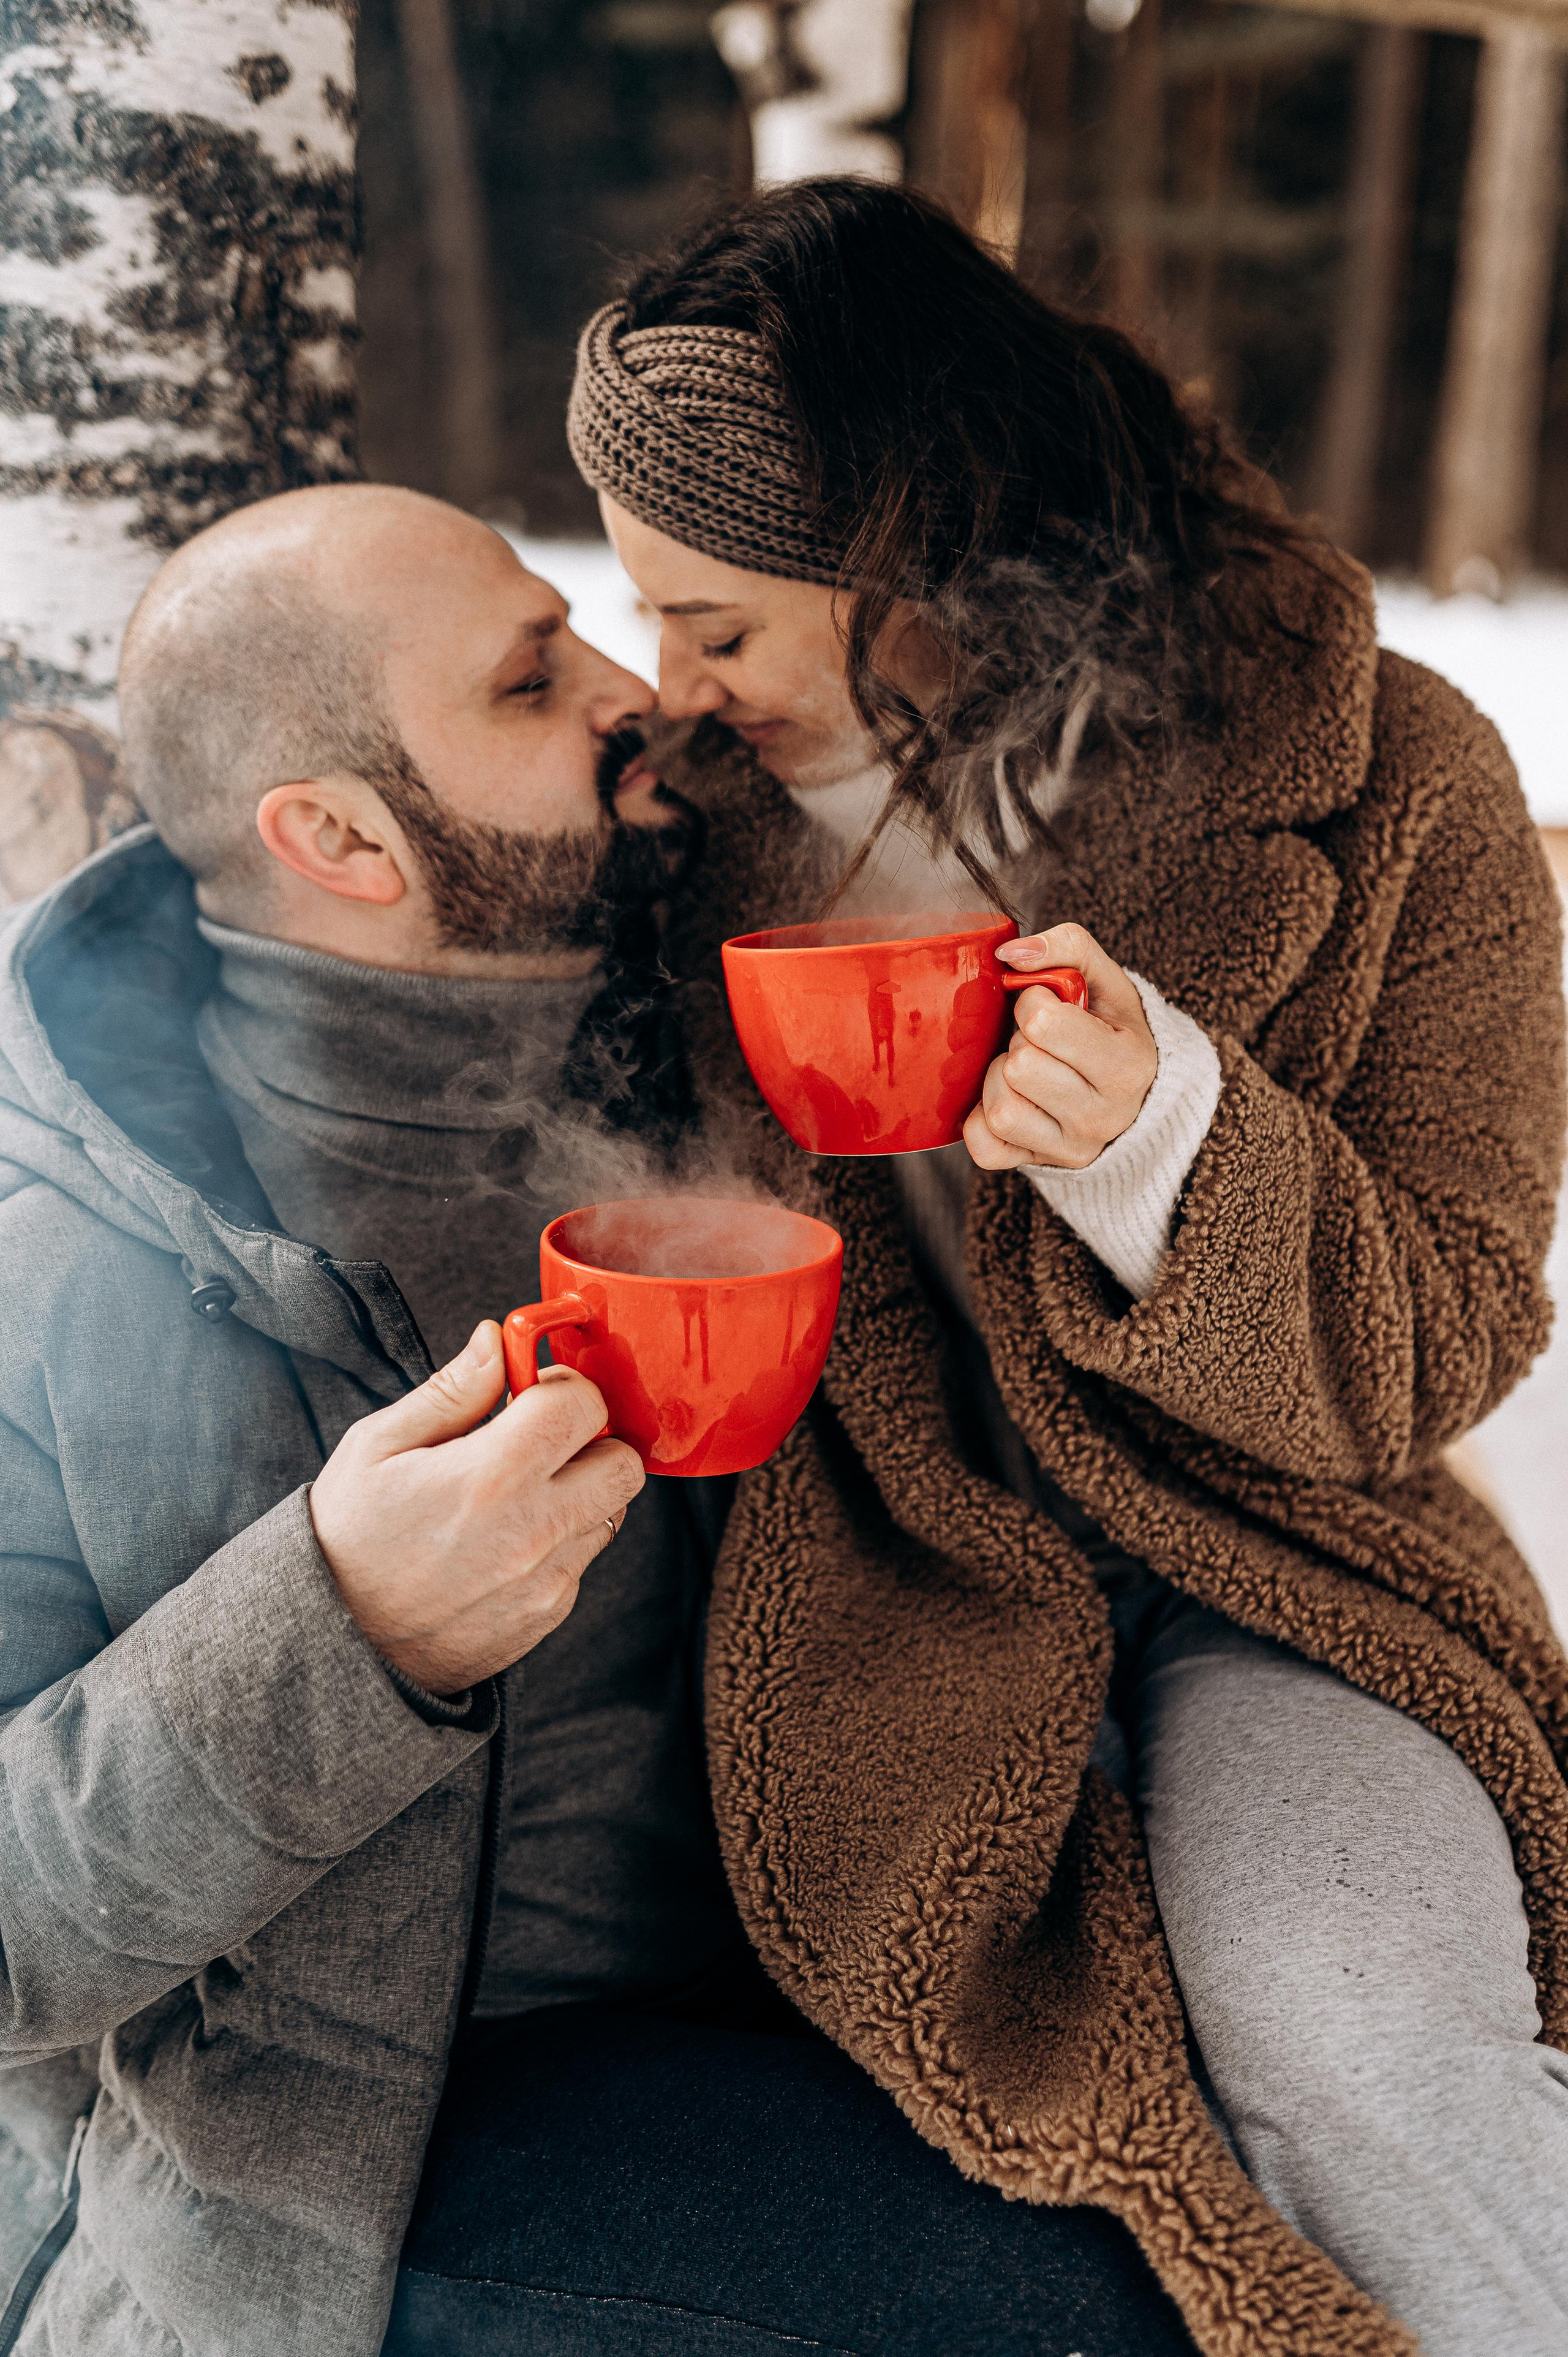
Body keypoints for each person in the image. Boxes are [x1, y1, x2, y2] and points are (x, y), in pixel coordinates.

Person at [0, 482, 1197, 2356]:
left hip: (871, 1988)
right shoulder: (71, 1260)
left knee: (1293, 2209)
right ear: (338, 836)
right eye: (528, 680)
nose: (637, 692)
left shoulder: (731, 1028)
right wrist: (346, 1630)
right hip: (358, 2155)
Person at [563, 178, 1568, 2357]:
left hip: (1273, 1560)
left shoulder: (1395, 780)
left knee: (1363, 2049)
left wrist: (1167, 1153)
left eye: (721, 618)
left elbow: (1455, 1332)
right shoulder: (659, 813)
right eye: (642, 614)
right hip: (859, 1574)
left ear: (921, 561)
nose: (673, 684)